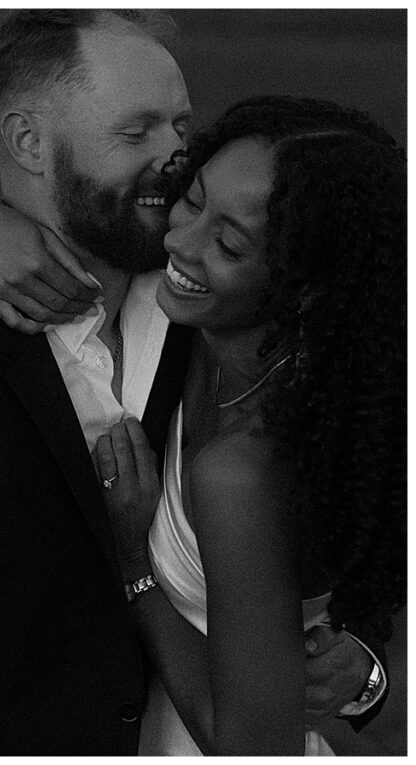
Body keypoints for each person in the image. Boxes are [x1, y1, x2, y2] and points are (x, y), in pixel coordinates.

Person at [0, 10, 384, 755]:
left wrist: (370, 659)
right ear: (29, 141)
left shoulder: (220, 306)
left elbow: (363, 503)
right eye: (137, 132)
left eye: (182, 124)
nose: (178, 157)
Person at [93, 95, 405, 754]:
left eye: (229, 243)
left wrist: (133, 566)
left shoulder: (241, 474)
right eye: (194, 198)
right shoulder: (202, 337)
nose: (180, 240)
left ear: (302, 285)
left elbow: (251, 746)